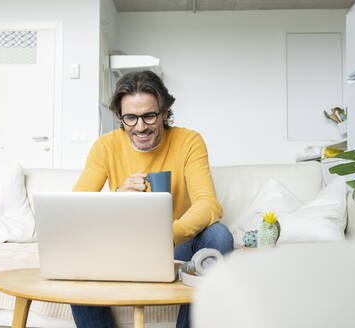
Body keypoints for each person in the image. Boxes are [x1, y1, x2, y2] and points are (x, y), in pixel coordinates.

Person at [70, 70, 233, 328]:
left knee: (220, 235)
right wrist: (117, 197)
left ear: (164, 112)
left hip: (175, 242)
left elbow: (208, 203)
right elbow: (75, 208)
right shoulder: (105, 146)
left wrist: (168, 233)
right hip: (123, 243)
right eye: (130, 118)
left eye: (148, 115)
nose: (140, 126)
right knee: (76, 249)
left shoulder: (188, 141)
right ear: (120, 117)